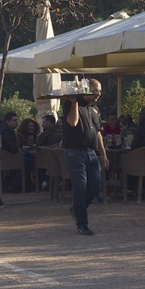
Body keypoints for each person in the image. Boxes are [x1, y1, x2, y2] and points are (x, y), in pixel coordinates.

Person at [60, 79, 107, 235]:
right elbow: (72, 123)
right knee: (80, 188)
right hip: (75, 152)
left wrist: (103, 154)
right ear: (86, 90)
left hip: (91, 152)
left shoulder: (94, 108)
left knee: (95, 186)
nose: (98, 94)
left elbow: (98, 132)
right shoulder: (72, 104)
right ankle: (82, 223)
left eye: (99, 91)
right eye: (95, 91)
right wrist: (73, 103)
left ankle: (76, 209)